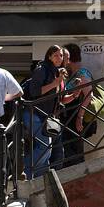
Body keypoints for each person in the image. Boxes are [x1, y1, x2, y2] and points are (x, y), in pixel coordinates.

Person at [22, 44, 66, 177]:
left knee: (47, 150)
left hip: (44, 116)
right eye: (56, 55)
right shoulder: (42, 69)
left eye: (61, 55)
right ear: (49, 56)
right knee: (44, 147)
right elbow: (34, 92)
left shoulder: (55, 72)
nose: (59, 58)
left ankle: (39, 180)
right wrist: (55, 84)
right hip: (34, 114)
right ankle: (23, 172)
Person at [59, 43, 93, 164]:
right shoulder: (72, 73)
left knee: (74, 149)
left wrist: (80, 116)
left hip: (74, 116)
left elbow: (89, 95)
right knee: (68, 148)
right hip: (68, 116)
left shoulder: (81, 73)